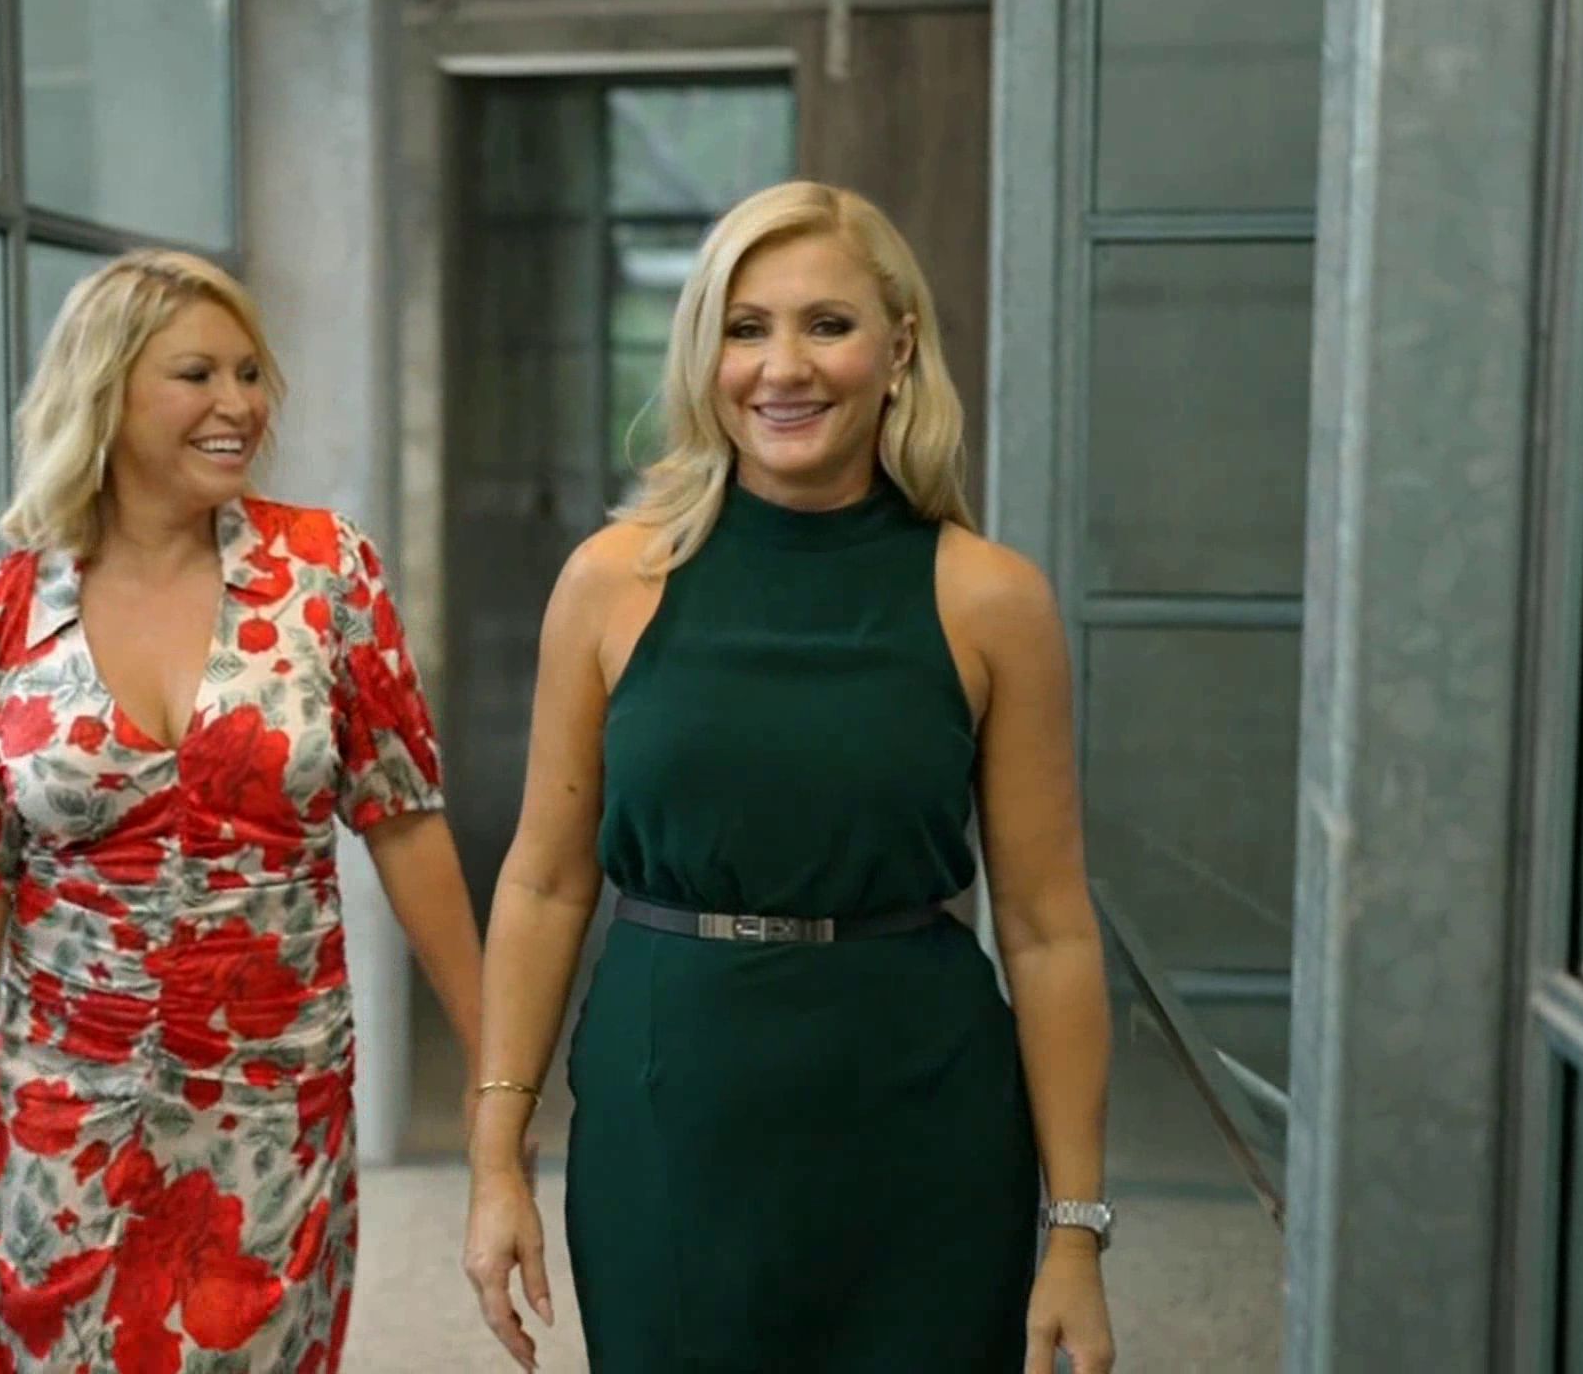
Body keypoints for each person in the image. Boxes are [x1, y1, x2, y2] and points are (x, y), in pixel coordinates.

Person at [461, 181, 1117, 1373]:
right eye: (745, 328)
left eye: (827, 324)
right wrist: (494, 1156)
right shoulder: (612, 582)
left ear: (898, 348)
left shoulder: (991, 599)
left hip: (925, 1115)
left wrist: (1073, 1229)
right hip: (670, 1107)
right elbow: (544, 885)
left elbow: (1047, 927)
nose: (782, 368)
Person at [0, 249, 485, 1372]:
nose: (239, 406)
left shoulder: (325, 575)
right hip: (67, 1121)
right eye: (197, 375)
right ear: (106, 391)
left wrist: (492, 1069)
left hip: (273, 1111)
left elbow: (404, 820)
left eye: (250, 374)